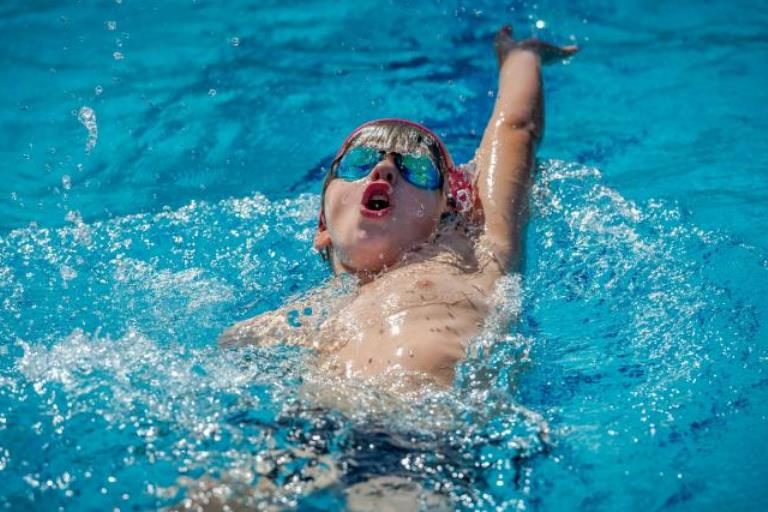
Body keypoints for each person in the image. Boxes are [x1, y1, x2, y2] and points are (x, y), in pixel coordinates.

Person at [219, 25, 577, 388]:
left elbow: (516, 128)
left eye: (416, 169)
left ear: (446, 212)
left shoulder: (475, 252)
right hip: (325, 418)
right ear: (322, 227)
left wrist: (521, 57)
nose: (384, 169)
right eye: (359, 163)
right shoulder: (304, 316)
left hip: (442, 419)